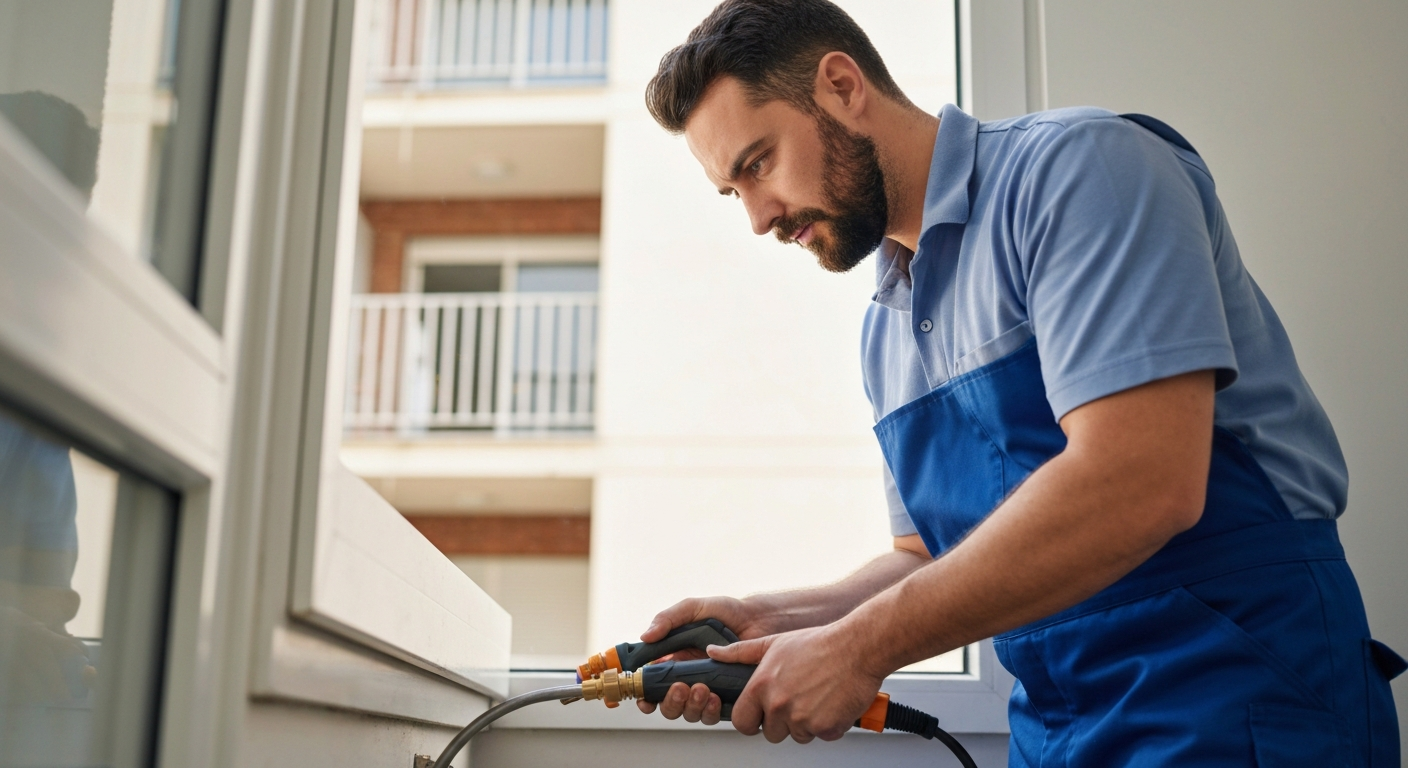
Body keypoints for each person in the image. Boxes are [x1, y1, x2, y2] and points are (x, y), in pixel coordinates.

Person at [633, 1, 1404, 764]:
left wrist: (856, 651)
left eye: (757, 164)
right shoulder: (886, 329)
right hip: (1060, 731)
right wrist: (773, 620)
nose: (759, 219)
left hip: (1238, 696)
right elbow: (928, 556)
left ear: (840, 86)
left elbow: (1142, 479)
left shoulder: (1081, 169)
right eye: (733, 192)